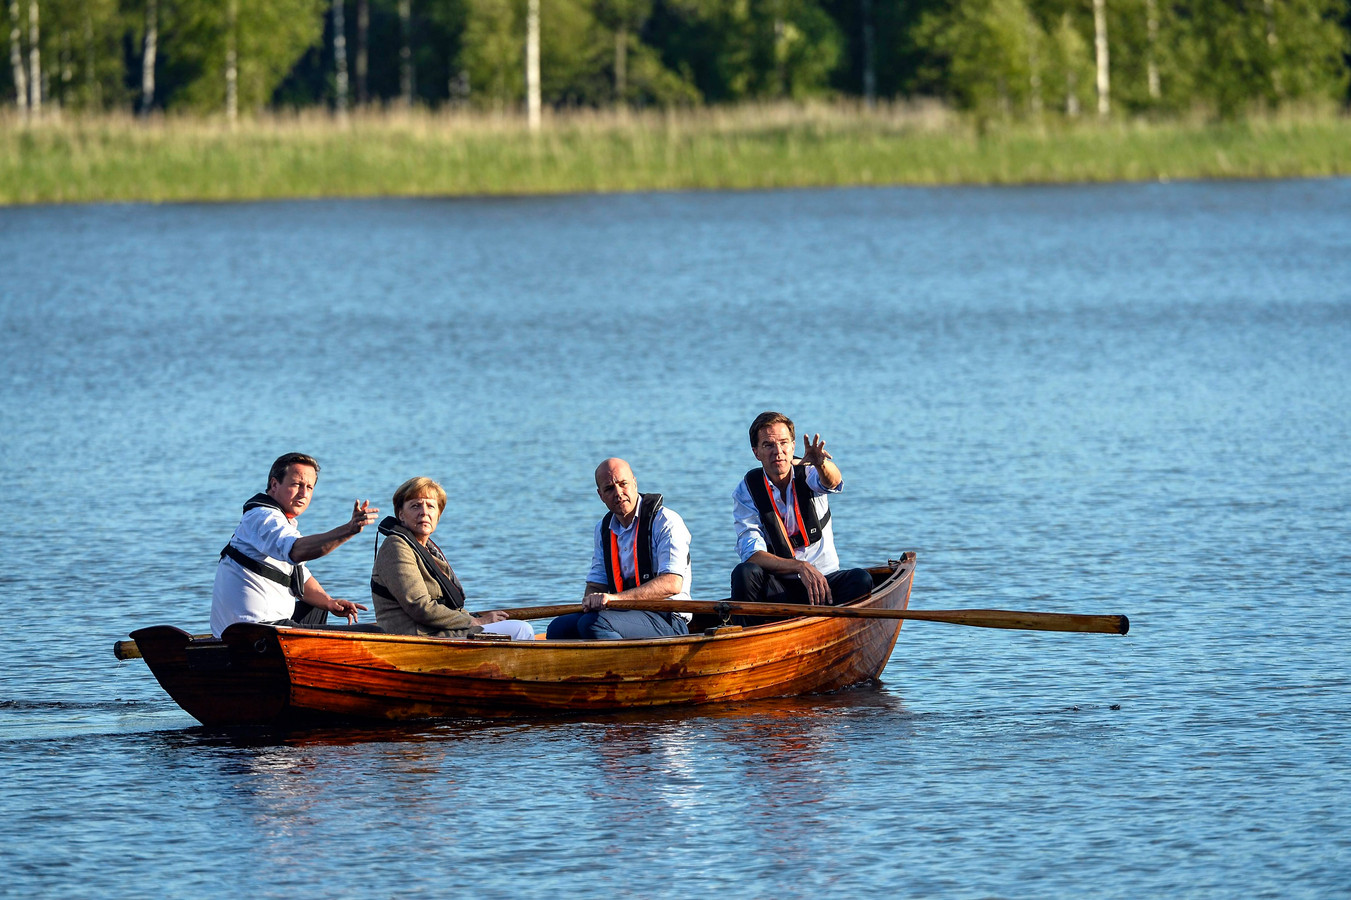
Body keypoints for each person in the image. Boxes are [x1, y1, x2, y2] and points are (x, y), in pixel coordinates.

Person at [211, 452, 377, 638]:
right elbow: (296, 551)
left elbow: (300, 577)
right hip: (255, 633)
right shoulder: (264, 518)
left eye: (309, 487)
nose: (304, 493)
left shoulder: (279, 521)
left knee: (318, 605)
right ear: (274, 485)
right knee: (376, 633)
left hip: (253, 630)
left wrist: (329, 602)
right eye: (296, 484)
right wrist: (348, 530)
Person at [731, 412, 873, 610]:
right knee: (744, 573)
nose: (778, 451)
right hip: (779, 589)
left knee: (861, 579)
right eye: (768, 445)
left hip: (825, 583)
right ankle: (750, 633)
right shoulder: (747, 490)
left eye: (784, 443)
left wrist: (821, 463)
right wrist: (800, 566)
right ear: (756, 452)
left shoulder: (810, 470)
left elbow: (833, 482)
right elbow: (752, 553)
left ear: (793, 446)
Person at [371, 477, 535, 640]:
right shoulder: (396, 546)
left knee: (514, 626)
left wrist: (474, 619)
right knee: (522, 629)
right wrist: (475, 621)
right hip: (417, 636)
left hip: (435, 631)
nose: (424, 512)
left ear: (438, 516)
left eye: (431, 506)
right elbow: (419, 607)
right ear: (401, 515)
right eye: (415, 506)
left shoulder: (426, 549)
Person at [546, 458, 692, 640]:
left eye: (623, 484)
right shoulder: (603, 529)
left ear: (635, 483)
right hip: (623, 614)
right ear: (600, 495)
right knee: (558, 628)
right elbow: (595, 585)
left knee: (593, 623)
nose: (618, 493)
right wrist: (592, 600)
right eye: (609, 489)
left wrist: (615, 600)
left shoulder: (666, 521)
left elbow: (672, 583)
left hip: (668, 619)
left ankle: (627, 666)